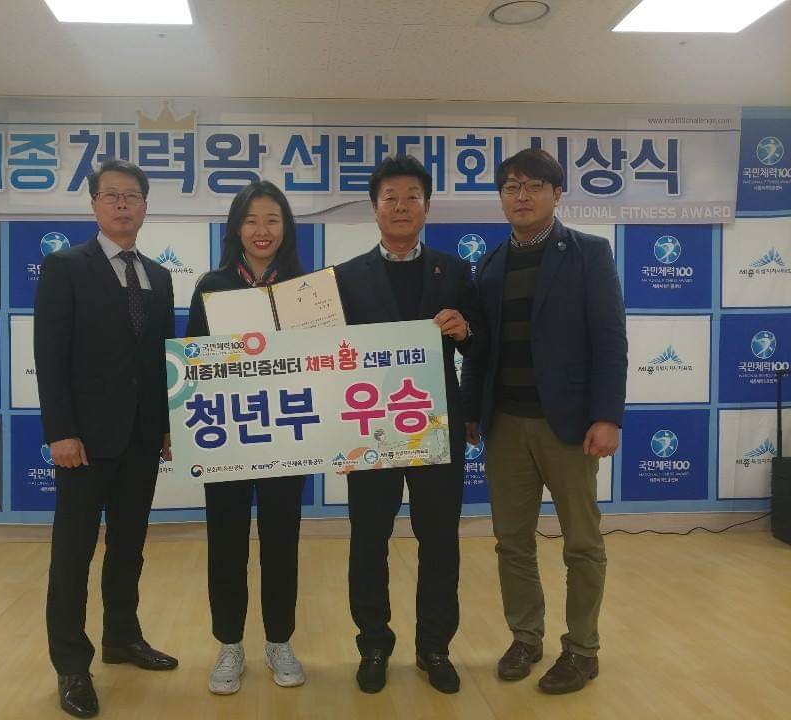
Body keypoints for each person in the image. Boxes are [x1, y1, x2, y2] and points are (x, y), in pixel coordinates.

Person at [461, 148, 627, 695]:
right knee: (512, 541)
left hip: (569, 426)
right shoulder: (489, 264)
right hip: (506, 424)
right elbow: (480, 350)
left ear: (557, 194)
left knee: (582, 543)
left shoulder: (588, 254)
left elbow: (610, 339)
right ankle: (525, 636)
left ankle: (582, 648)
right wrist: (471, 412)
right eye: (511, 187)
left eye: (533, 186)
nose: (521, 196)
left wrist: (607, 415)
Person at [35, 158, 178, 718]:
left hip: (141, 438)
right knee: (73, 554)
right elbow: (50, 356)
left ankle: (122, 636)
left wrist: (164, 425)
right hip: (84, 443)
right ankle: (72, 664)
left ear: (145, 205)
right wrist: (61, 431)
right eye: (111, 195)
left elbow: (160, 360)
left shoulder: (159, 276)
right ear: (94, 204)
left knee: (128, 547)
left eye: (132, 195)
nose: (122, 204)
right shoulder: (65, 267)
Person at [333, 155, 478, 695]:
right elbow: (325, 355)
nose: (400, 206)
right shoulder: (345, 277)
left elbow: (480, 344)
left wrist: (465, 331)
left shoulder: (454, 271)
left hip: (435, 424)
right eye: (389, 197)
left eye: (411, 196)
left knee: (439, 540)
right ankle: (374, 644)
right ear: (374, 208)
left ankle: (434, 647)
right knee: (368, 540)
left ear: (427, 206)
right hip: (369, 428)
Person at [185, 180, 307, 696]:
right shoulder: (212, 285)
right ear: (236, 228)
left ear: (286, 228)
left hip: (287, 436)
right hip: (228, 437)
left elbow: (325, 361)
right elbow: (191, 363)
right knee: (226, 543)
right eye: (251, 220)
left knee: (281, 542)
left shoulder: (305, 287)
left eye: (272, 220)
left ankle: (279, 641)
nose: (262, 230)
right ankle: (230, 644)